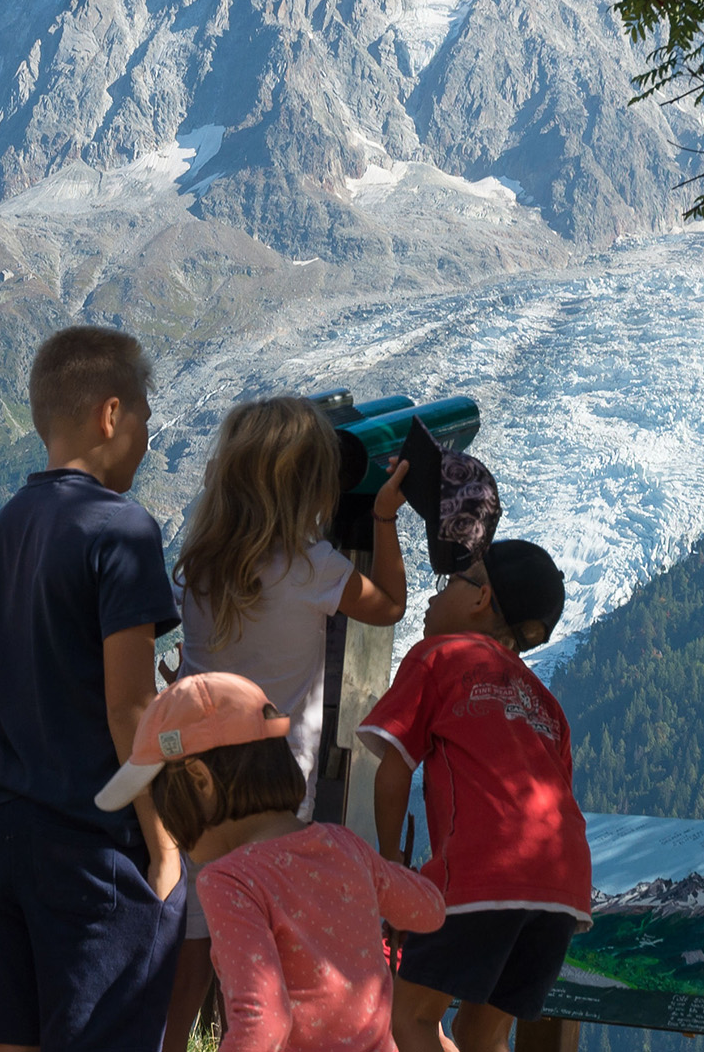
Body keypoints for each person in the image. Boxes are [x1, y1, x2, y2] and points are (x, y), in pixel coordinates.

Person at [0, 325, 185, 1052]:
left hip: (11, 829)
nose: (146, 436)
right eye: (144, 417)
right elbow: (129, 704)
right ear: (110, 413)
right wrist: (163, 844)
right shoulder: (122, 529)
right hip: (100, 840)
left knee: (9, 1033)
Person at [162, 397, 411, 1051]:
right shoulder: (313, 569)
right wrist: (383, 518)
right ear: (311, 487)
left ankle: (171, 1040)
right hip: (275, 778)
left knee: (199, 922)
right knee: (270, 926)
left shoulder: (202, 564)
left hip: (198, 767)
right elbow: (388, 606)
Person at [96, 672, 446, 1052]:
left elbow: (263, 1022)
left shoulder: (229, 881)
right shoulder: (346, 846)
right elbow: (429, 910)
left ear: (200, 780)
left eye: (161, 798)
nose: (165, 822)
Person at [358, 540, 592, 1052]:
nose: (432, 597)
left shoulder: (438, 656)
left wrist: (392, 870)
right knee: (480, 1036)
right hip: (563, 886)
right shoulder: (545, 703)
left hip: (487, 867)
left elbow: (394, 768)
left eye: (450, 583)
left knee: (410, 1018)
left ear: (481, 596)